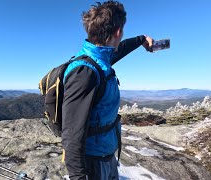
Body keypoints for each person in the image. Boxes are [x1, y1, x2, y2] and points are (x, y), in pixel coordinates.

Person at [61, 1, 154, 180]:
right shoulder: (84, 72)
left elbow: (120, 50)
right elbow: (72, 133)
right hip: (93, 162)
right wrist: (79, 177)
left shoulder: (101, 58)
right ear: (118, 32)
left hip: (106, 153)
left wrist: (142, 39)